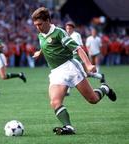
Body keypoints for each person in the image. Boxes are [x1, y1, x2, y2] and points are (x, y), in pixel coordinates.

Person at [31, 7, 116, 135]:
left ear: (48, 20)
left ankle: (104, 88)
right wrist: (39, 52)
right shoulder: (40, 34)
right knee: (55, 102)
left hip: (70, 67)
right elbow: (46, 44)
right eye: (35, 25)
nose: (38, 27)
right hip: (56, 72)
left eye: (40, 24)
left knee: (92, 99)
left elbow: (78, 49)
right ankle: (68, 127)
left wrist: (88, 65)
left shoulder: (59, 33)